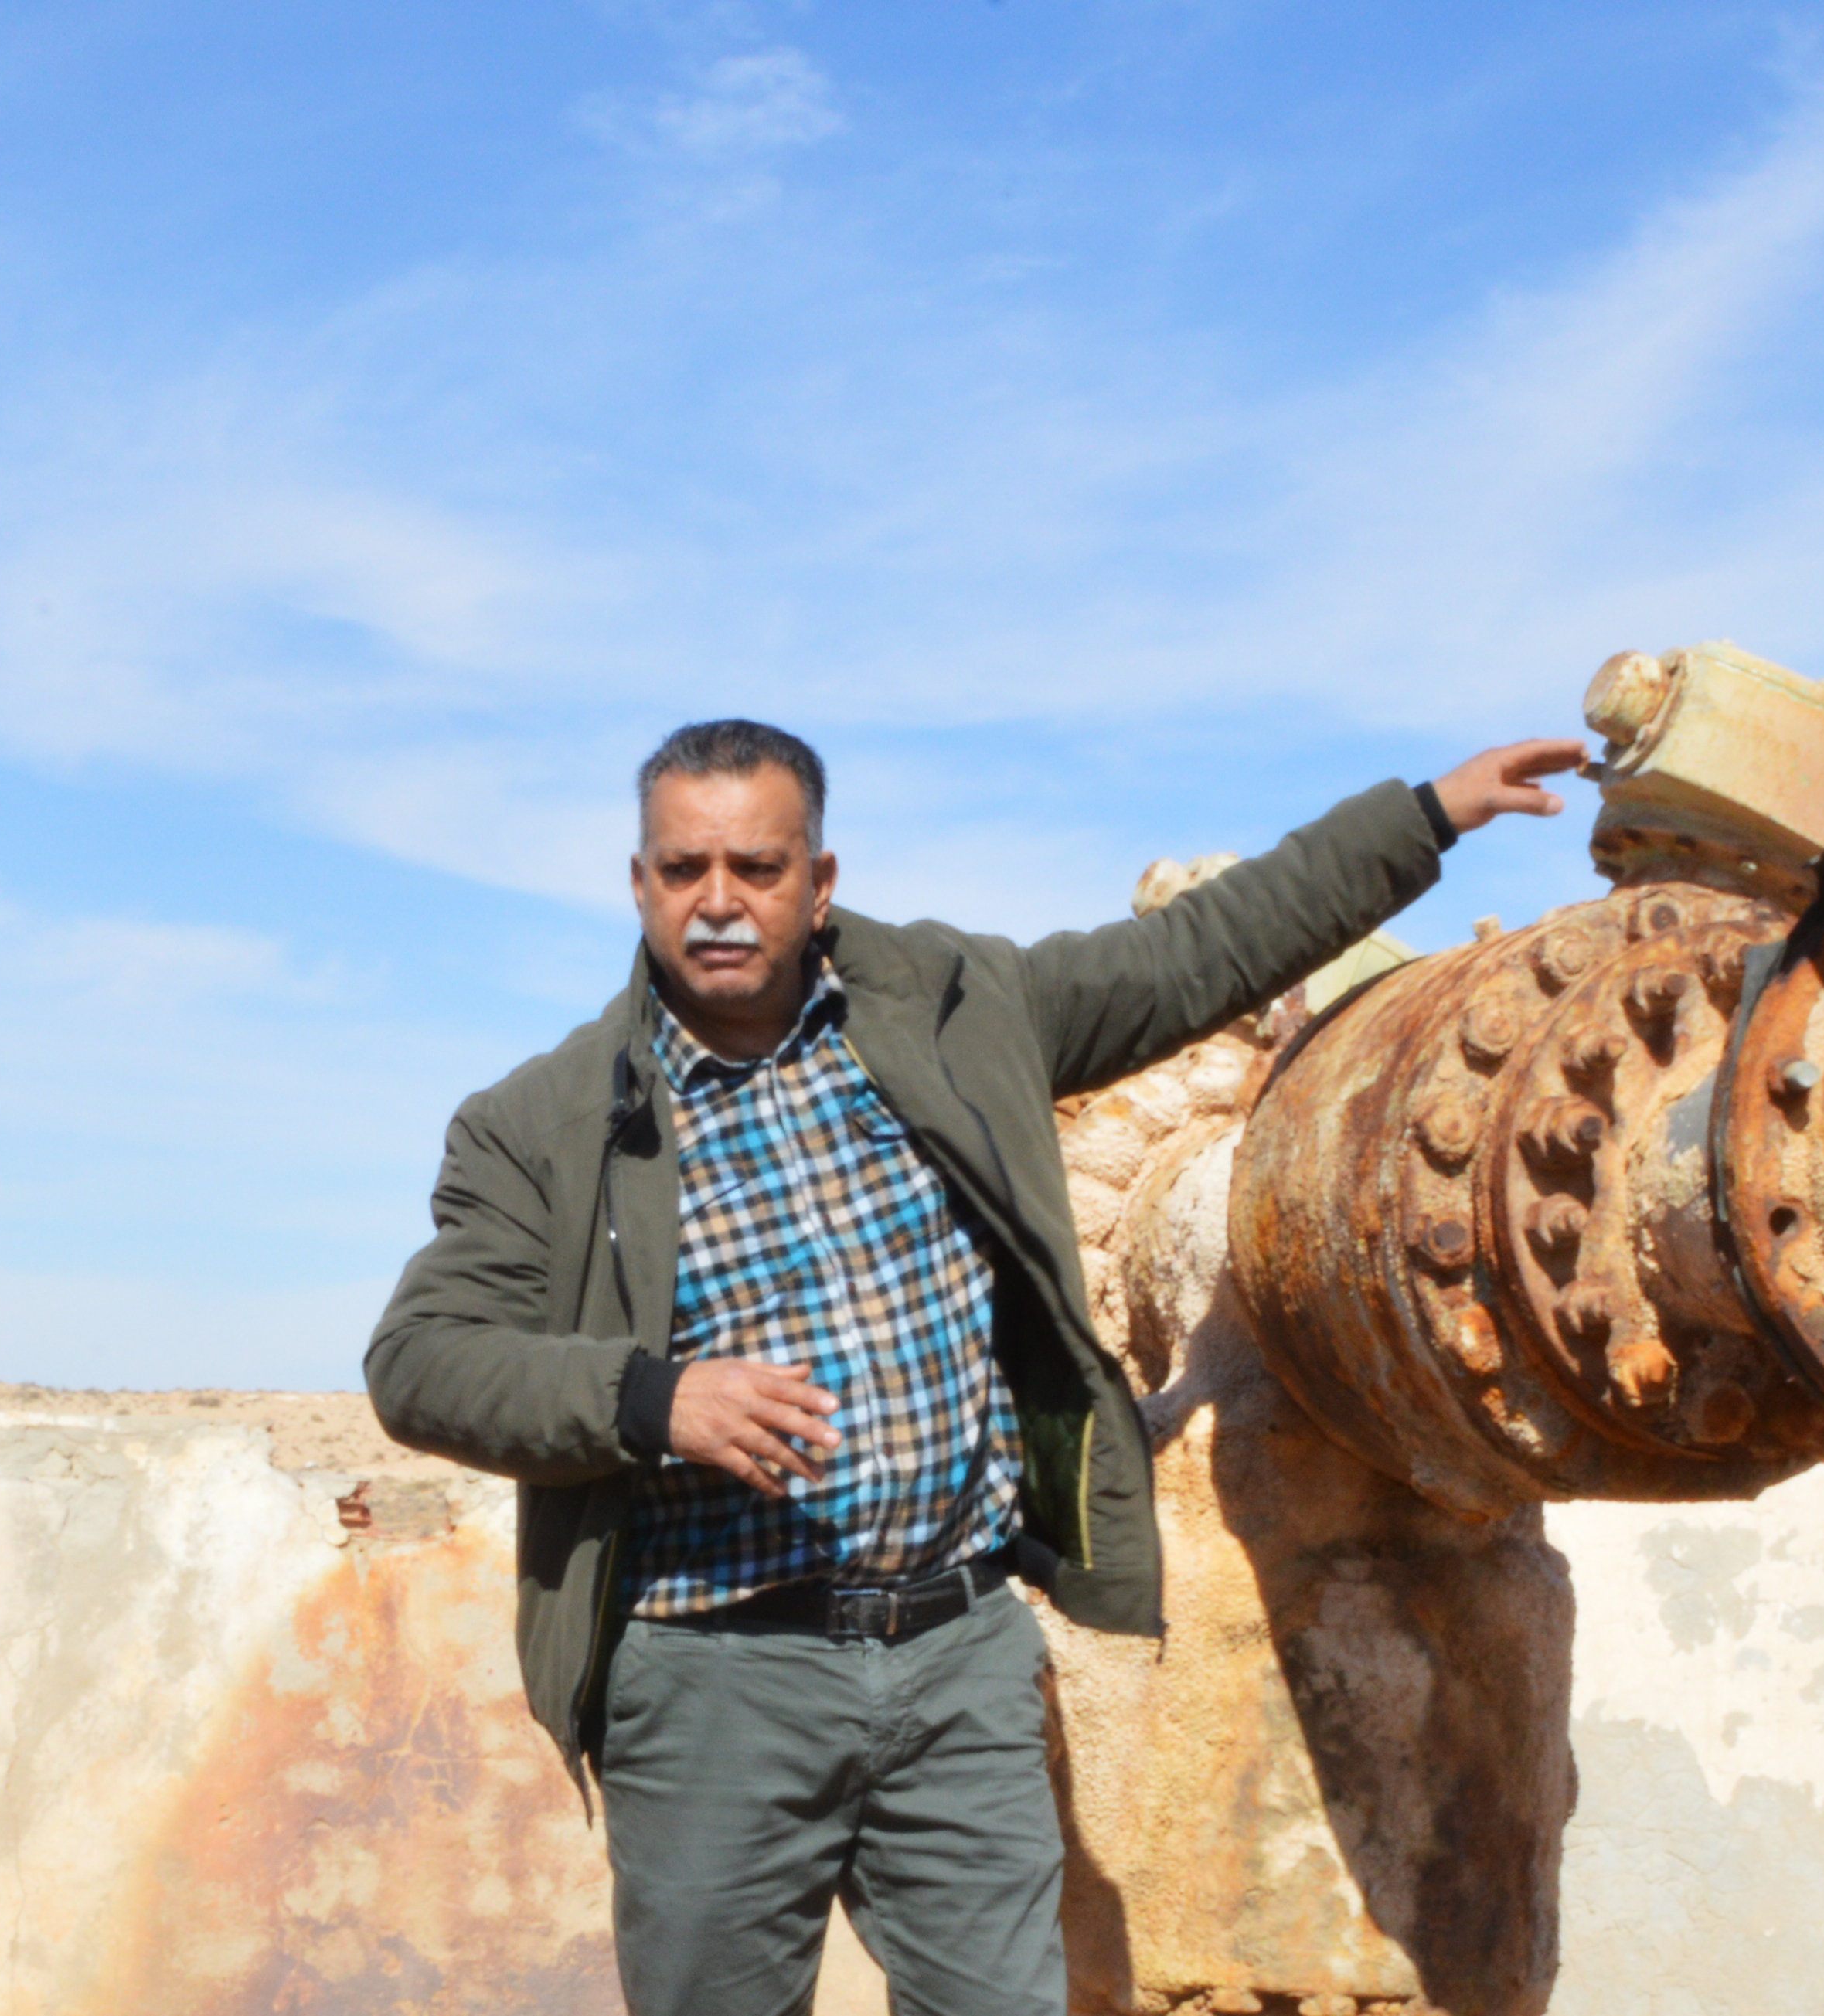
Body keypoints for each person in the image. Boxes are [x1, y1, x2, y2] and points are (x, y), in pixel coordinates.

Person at [365, 719, 1582, 2016]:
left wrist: (1425, 815)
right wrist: (656, 1399)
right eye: (683, 869)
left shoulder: (959, 1011)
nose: (717, 901)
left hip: (955, 1660)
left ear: (817, 881)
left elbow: (1196, 953)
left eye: (755, 867)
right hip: (714, 1676)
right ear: (640, 881)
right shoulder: (541, 1126)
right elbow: (421, 1361)